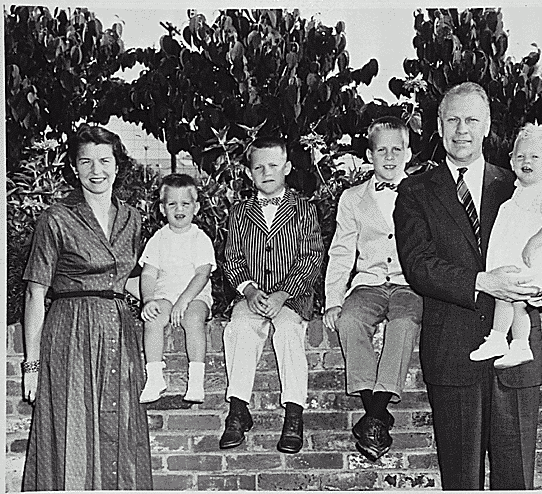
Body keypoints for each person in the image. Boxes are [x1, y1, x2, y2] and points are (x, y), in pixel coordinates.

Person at [394, 82, 542, 490]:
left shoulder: (518, 186)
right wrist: (483, 282)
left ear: (488, 126)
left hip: (516, 353)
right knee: (461, 482)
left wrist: (540, 285)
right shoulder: (414, 191)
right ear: (439, 126)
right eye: (453, 120)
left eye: (472, 120)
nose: (462, 129)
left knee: (517, 481)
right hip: (453, 353)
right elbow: (419, 266)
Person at [21, 124, 152, 490]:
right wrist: (31, 366)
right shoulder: (56, 218)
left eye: (105, 161)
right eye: (87, 162)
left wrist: (169, 297)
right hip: (72, 333)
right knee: (72, 429)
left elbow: (127, 278)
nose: (97, 170)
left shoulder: (132, 218)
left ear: (117, 165)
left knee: (122, 429)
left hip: (119, 334)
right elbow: (35, 294)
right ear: (74, 168)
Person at [323, 116, 422, 461]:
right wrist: (333, 300)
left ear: (408, 153)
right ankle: (377, 414)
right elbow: (341, 250)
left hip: (410, 285)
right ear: (369, 155)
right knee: (350, 321)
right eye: (382, 150)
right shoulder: (352, 198)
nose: (390, 157)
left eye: (397, 149)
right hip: (369, 283)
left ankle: (374, 416)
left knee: (405, 325)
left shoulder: (423, 192)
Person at [219, 136, 324, 454]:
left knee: (290, 333)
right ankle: (238, 409)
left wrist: (284, 293)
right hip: (251, 294)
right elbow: (232, 256)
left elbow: (311, 256)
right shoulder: (240, 212)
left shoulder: (303, 209)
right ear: (250, 173)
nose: (267, 172)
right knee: (239, 329)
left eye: (274, 165)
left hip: (290, 295)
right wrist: (248, 289)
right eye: (259, 167)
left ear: (287, 168)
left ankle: (294, 413)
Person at [471, 123, 542, 368]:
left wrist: (533, 244)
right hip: (513, 259)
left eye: (534, 156)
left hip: (532, 260)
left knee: (518, 302)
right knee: (506, 297)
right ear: (512, 163)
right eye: (520, 156)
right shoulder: (518, 192)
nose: (526, 161)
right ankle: (501, 339)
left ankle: (519, 344)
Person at [138, 173, 216, 403]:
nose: (178, 209)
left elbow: (202, 274)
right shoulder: (158, 238)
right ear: (163, 209)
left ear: (196, 207)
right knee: (152, 320)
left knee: (193, 319)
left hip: (194, 297)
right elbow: (149, 273)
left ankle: (195, 380)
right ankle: (154, 378)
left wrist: (183, 301)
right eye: (172, 204)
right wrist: (148, 299)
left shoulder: (199, 238)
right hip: (164, 296)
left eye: (185, 203)